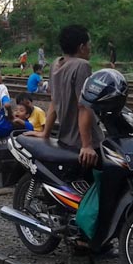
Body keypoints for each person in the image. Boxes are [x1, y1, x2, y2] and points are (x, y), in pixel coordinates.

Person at [28, 25, 102, 169]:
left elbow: (54, 102)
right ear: (82, 47)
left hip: (65, 139)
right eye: (89, 44)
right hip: (82, 143)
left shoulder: (56, 64)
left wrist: (45, 133)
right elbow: (84, 106)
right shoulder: (82, 66)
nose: (90, 48)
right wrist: (87, 145)